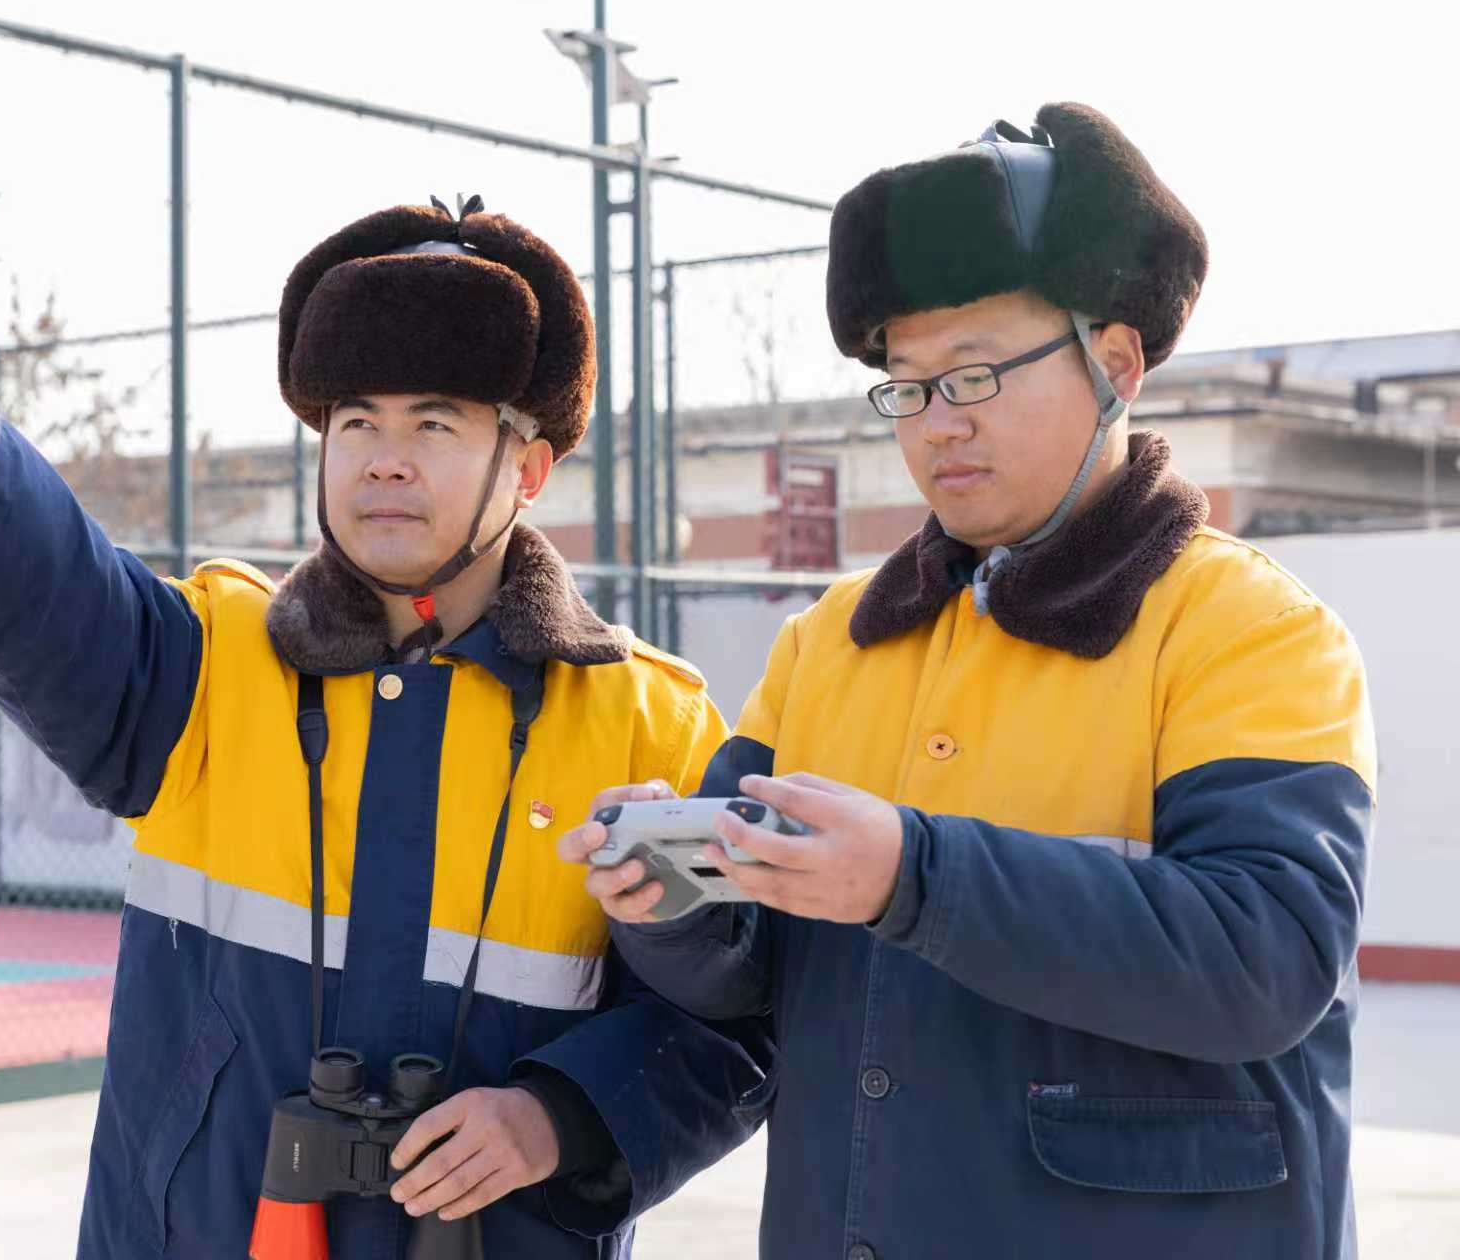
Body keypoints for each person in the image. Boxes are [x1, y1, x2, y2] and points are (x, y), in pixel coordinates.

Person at [0, 195, 768, 1260]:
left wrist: (559, 1116)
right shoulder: (213, 662)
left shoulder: (651, 726)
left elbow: (736, 1029)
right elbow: (45, 588)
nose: (385, 459)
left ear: (529, 467)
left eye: (435, 423)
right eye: (356, 422)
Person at [562, 104, 1375, 1260]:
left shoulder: (1250, 629)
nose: (938, 424)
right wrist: (674, 903)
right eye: (907, 383)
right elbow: (750, 976)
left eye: (977, 373)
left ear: (1116, 362)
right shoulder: (830, 642)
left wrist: (917, 873)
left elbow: (1266, 957)